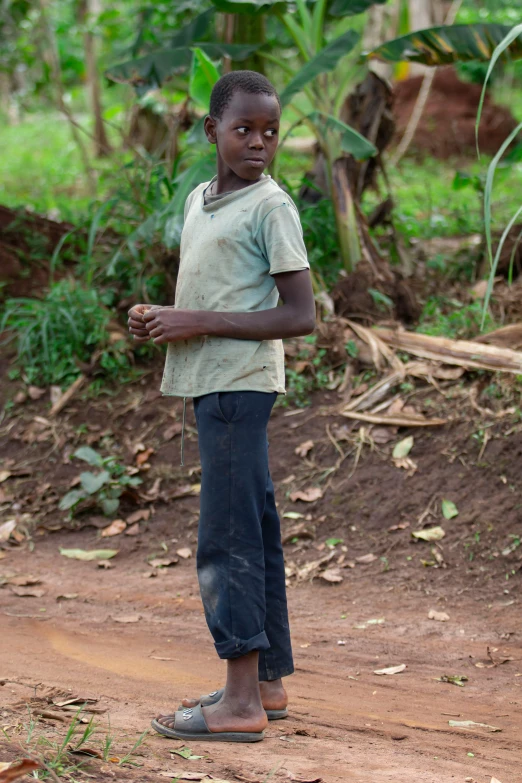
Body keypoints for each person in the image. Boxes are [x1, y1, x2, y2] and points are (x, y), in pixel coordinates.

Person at [128, 70, 316, 743]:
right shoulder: (200, 201)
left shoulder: (272, 207)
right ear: (212, 132)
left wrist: (196, 321)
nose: (260, 142)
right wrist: (162, 320)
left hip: (242, 383)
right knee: (255, 525)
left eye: (271, 130)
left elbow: (300, 314)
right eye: (245, 129)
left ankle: (238, 703)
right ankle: (265, 680)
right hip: (213, 379)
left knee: (227, 535)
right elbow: (214, 291)